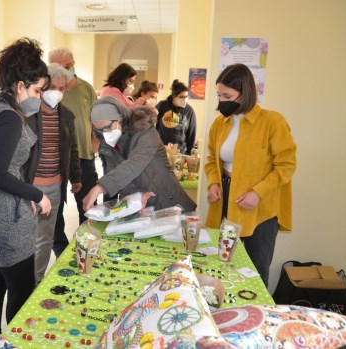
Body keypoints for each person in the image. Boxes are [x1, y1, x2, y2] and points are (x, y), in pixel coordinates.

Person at [0, 38, 51, 335]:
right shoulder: (10, 118)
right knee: (22, 291)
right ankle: (16, 342)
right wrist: (37, 194)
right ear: (20, 86)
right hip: (1, 218)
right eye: (37, 90)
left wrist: (23, 192)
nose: (40, 97)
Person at [205, 63, 297, 287]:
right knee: (222, 262)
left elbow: (286, 165)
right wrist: (213, 183)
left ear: (245, 94)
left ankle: (255, 316)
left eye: (227, 95)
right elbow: (211, 160)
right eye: (219, 95)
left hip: (261, 207)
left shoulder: (272, 121)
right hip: (226, 199)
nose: (221, 101)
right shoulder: (219, 124)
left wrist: (258, 192)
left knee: (255, 270)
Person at [82, 96, 197, 212]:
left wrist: (99, 188)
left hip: (170, 202)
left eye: (107, 127)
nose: (105, 133)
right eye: (99, 130)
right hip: (141, 208)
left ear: (120, 118)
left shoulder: (145, 131)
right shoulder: (108, 145)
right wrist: (137, 198)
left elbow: (133, 165)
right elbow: (118, 178)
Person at [24, 63, 82, 283]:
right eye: (52, 87)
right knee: (28, 237)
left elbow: (72, 149)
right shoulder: (28, 113)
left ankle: (36, 283)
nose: (56, 92)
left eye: (61, 88)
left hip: (55, 186)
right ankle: (24, 284)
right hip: (31, 187)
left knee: (45, 239)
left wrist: (76, 177)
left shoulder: (66, 115)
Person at [48, 48, 97, 258]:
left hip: (83, 157)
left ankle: (86, 248)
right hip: (54, 161)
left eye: (68, 66)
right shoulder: (48, 90)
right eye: (59, 67)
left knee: (87, 206)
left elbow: (97, 122)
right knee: (53, 210)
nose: (65, 70)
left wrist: (93, 148)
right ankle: (61, 250)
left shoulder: (85, 89)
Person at [156, 79, 197, 155]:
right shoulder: (162, 106)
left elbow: (191, 134)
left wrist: (188, 154)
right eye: (181, 97)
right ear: (174, 96)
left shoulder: (189, 111)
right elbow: (154, 125)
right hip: (161, 150)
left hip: (179, 153)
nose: (184, 99)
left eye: (186, 96)